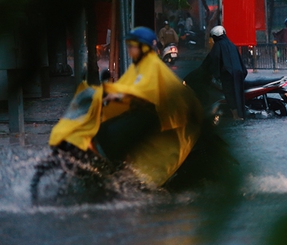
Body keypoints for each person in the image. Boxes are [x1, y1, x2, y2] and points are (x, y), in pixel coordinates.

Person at [50, 27, 203, 186]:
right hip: (141, 113)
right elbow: (127, 84)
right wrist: (106, 91)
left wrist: (118, 95)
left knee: (110, 135)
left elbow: (144, 89)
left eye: (133, 45)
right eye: (129, 45)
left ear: (144, 47)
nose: (129, 49)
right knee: (108, 130)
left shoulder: (152, 64)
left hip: (152, 117)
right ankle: (116, 171)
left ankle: (122, 178)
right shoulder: (139, 65)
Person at [202, 25, 248, 120]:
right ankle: (240, 115)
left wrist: (209, 71)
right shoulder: (231, 45)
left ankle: (235, 116)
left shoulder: (218, 46)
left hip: (228, 75)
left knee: (230, 95)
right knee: (238, 95)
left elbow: (212, 60)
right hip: (238, 74)